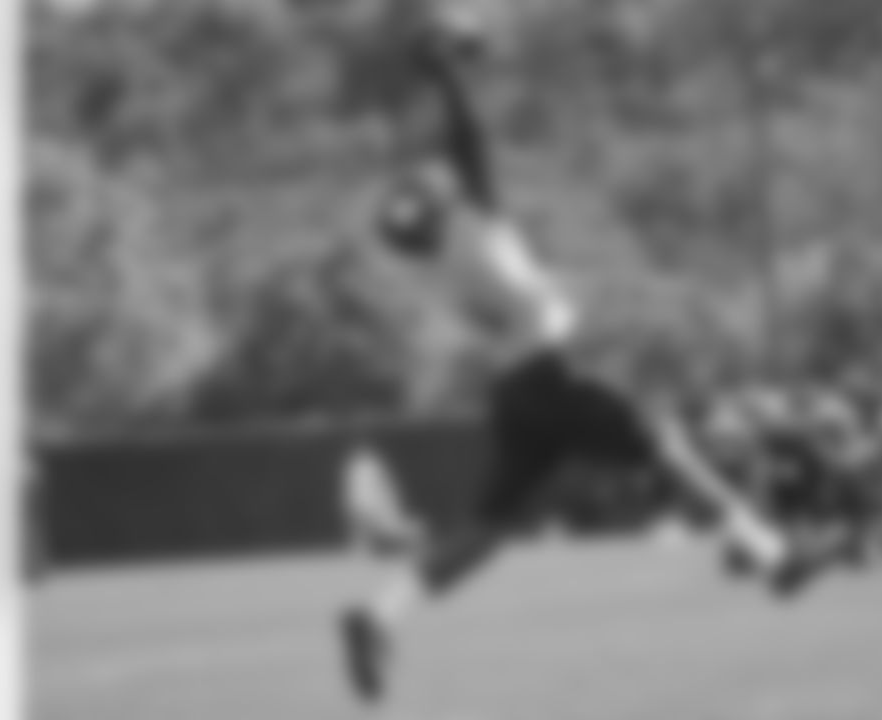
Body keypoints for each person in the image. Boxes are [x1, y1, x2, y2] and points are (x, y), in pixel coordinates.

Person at [339, 5, 799, 704]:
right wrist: (445, 69)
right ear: (439, 208)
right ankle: (773, 556)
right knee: (665, 443)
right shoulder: (473, 221)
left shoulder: (435, 264)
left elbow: (442, 189)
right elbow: (471, 137)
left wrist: (447, 70)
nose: (440, 181)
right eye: (434, 189)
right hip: (551, 372)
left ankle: (379, 616)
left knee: (486, 532)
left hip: (513, 394)